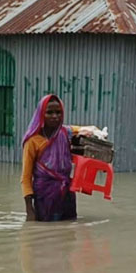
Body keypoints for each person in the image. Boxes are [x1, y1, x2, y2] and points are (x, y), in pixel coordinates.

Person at [21, 94, 88, 222]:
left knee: (68, 233)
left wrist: (97, 133)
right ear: (41, 114)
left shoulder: (65, 133)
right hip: (45, 197)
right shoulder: (33, 141)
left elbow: (86, 130)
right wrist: (29, 210)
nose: (55, 116)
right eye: (49, 112)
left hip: (67, 195)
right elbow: (25, 177)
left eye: (58, 112)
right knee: (46, 236)